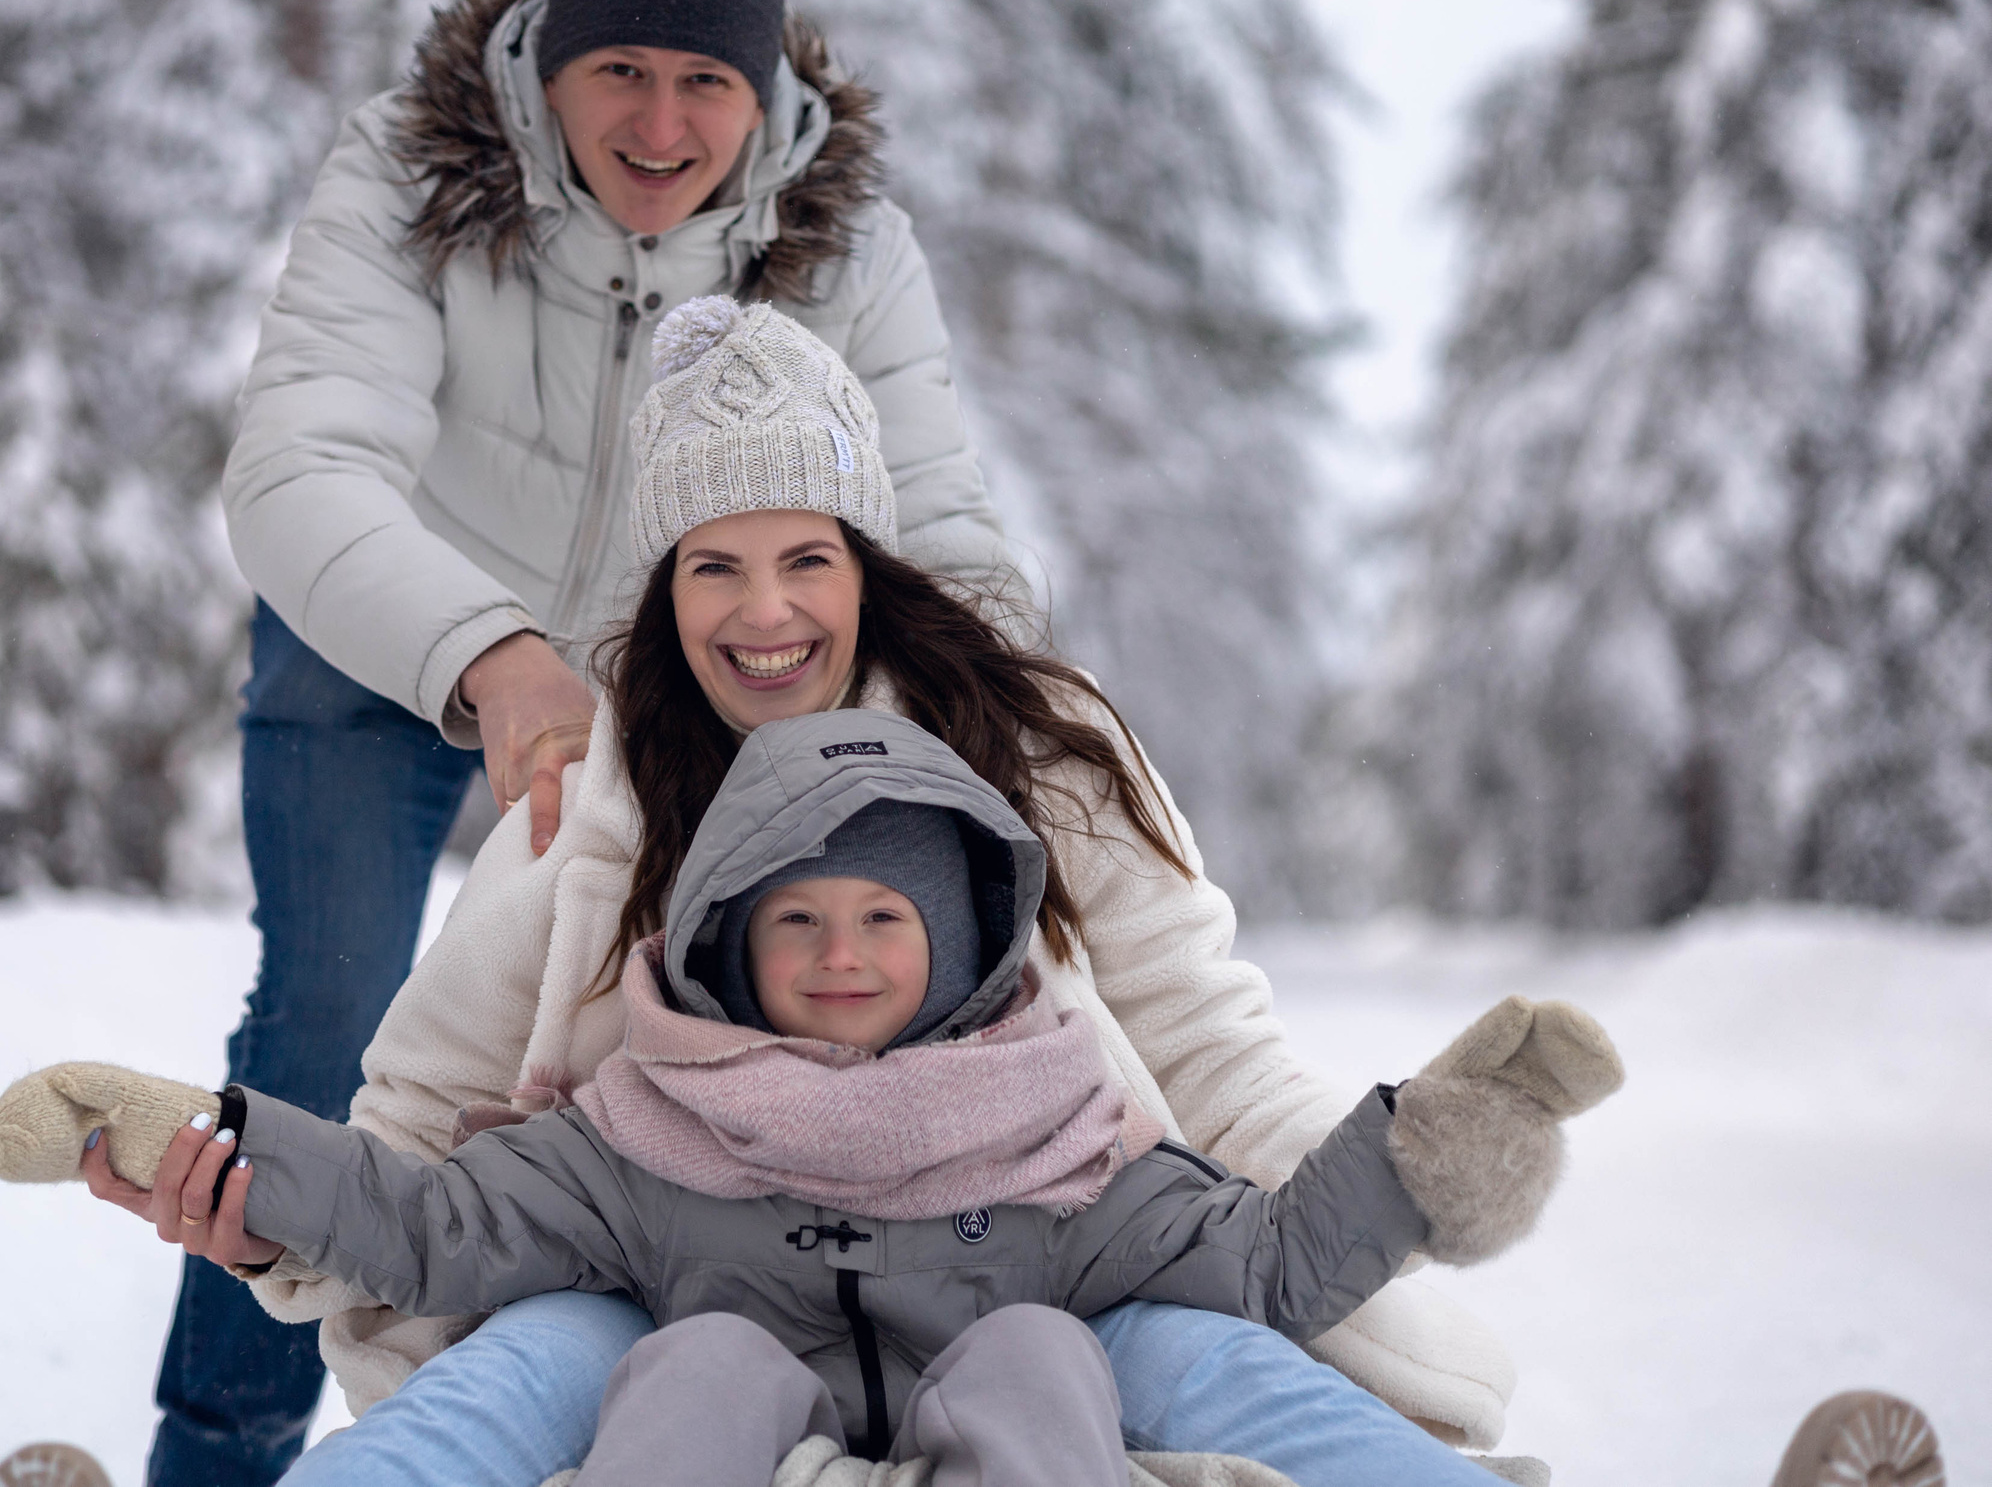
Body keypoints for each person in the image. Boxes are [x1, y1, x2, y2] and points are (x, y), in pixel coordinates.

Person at [87, 298, 1552, 1487]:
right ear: (664, 590)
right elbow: (422, 1140)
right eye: (713, 565)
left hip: (1033, 1277)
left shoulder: (1039, 752)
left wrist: (1419, 1189)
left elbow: (1211, 1047)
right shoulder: (589, 816)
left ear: (869, 563)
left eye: (806, 557)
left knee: (1214, 1367)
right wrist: (266, 1206)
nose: (766, 610)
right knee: (509, 1382)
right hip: (675, 1297)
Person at [195, 0, 1009, 1487]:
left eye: (707, 79)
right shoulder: (417, 175)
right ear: (542, 72)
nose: (660, 120)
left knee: (659, 1057)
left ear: (765, 94)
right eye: (618, 72)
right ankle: (215, 1457)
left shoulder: (836, 240)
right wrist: (491, 658)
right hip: (394, 632)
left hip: (692, 672)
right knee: (323, 1035)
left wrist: (986, 713)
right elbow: (300, 464)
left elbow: (945, 529)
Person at [0, 712, 1623, 1487]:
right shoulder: (646, 1127)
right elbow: (433, 1220)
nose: (842, 955)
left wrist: (1420, 1153)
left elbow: (1262, 1269)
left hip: (1018, 1428)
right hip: (716, 1435)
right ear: (726, 946)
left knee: (1083, 1350)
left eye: (884, 920)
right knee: (672, 1360)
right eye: (799, 923)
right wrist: (215, 1146)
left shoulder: (1051, 1126)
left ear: (964, 944)